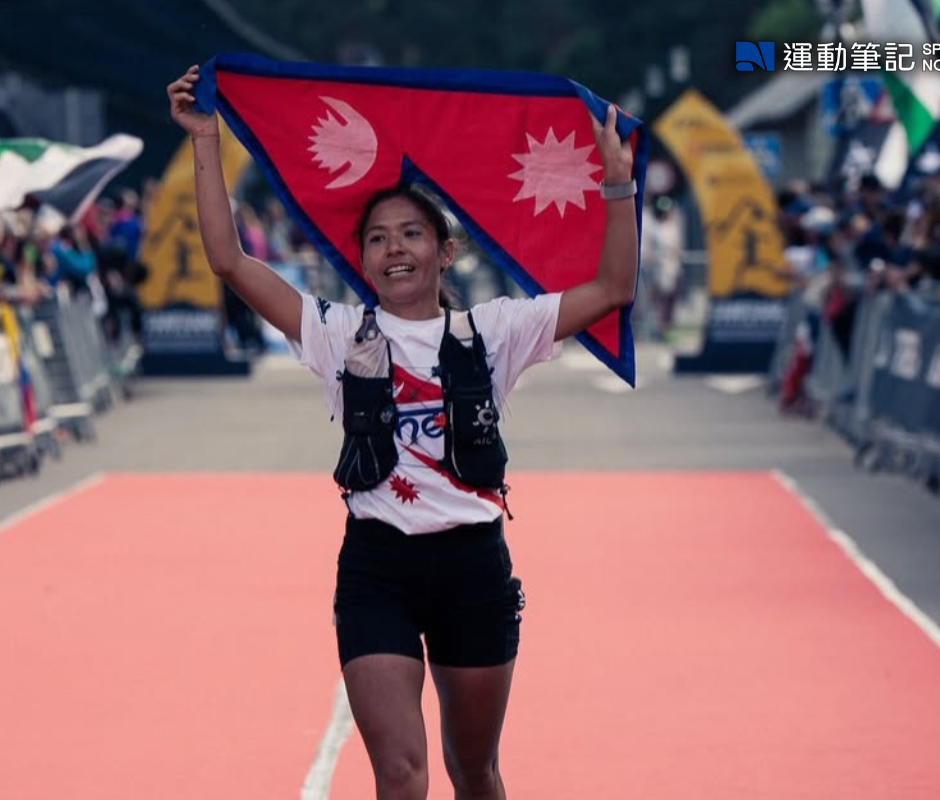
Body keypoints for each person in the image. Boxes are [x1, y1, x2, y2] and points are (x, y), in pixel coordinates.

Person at [168, 64, 637, 800]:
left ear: (444, 253)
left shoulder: (494, 331)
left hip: (473, 568)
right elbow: (229, 262)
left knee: (473, 773)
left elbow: (613, 289)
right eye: (379, 239)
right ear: (361, 259)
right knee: (400, 773)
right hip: (377, 568)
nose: (395, 250)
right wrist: (205, 139)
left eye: (412, 234)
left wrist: (617, 186)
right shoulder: (334, 333)